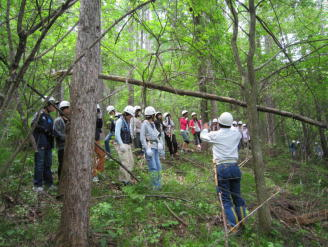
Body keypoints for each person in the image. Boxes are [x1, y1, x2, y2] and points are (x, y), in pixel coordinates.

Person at [200, 112, 246, 230]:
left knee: (225, 199)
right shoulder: (236, 134)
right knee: (237, 196)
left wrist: (205, 129)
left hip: (222, 168)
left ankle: (234, 226)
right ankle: (243, 221)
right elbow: (237, 132)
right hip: (235, 167)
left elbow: (203, 136)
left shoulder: (216, 135)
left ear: (219, 123)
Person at [31, 96, 56, 192]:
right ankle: (37, 185)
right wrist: (44, 129)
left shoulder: (50, 117)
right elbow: (33, 124)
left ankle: (48, 183)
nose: (54, 107)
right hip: (40, 142)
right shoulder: (39, 114)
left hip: (48, 144)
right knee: (39, 164)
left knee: (48, 164)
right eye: (52, 104)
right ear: (47, 104)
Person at [140, 106, 163, 190]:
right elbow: (142, 138)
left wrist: (159, 143)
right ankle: (155, 187)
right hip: (149, 148)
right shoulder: (144, 124)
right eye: (154, 115)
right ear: (152, 115)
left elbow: (156, 135)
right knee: (153, 167)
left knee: (158, 166)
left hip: (155, 147)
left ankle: (159, 184)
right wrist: (147, 148)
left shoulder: (152, 124)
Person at [115, 105, 135, 185]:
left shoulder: (128, 121)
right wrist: (121, 144)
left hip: (127, 144)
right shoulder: (120, 121)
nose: (131, 117)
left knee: (131, 162)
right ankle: (124, 181)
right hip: (122, 144)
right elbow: (117, 134)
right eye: (130, 115)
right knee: (125, 162)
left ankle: (128, 178)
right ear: (127, 114)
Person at [53, 100, 70, 182]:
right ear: (62, 109)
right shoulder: (58, 121)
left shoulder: (71, 119)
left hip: (70, 146)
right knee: (62, 164)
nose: (68, 110)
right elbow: (56, 133)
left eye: (68, 108)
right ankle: (61, 180)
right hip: (62, 146)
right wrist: (66, 138)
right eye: (67, 108)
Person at [93, 104, 106, 182]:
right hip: (90, 140)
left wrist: (100, 117)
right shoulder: (87, 117)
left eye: (97, 110)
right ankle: (93, 175)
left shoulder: (97, 118)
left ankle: (99, 172)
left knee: (102, 154)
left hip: (97, 139)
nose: (96, 112)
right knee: (92, 158)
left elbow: (100, 126)